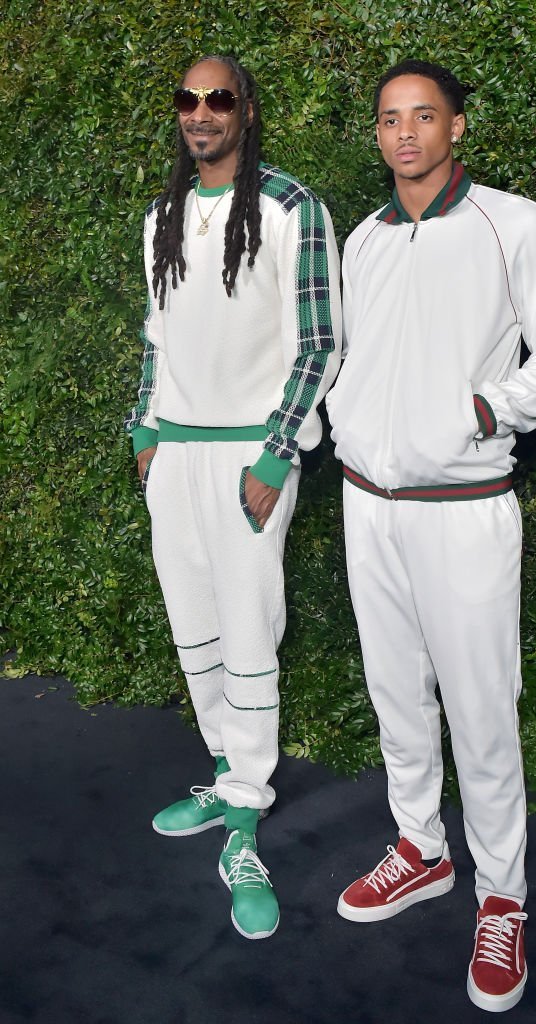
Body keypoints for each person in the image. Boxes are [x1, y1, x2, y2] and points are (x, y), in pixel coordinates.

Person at [326, 59, 536, 1011]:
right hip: (367, 503)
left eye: (423, 117)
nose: (405, 134)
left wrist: (487, 410)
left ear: (456, 129)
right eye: (390, 118)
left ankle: (502, 897)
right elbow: (352, 356)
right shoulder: (362, 239)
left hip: (464, 510)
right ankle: (420, 850)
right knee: (397, 696)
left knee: (482, 714)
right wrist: (343, 423)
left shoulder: (510, 223)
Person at [124, 54, 341, 940]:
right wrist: (144, 429)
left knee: (251, 627)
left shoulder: (293, 208)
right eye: (189, 99)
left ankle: (246, 816)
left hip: (250, 458)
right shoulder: (161, 216)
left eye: (219, 98)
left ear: (247, 111)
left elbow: (321, 341)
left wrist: (279, 450)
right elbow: (157, 334)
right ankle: (223, 776)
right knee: (196, 619)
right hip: (175, 454)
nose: (202, 112)